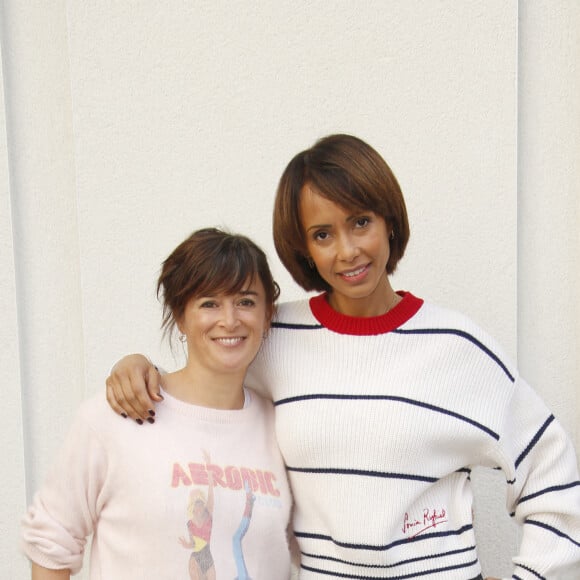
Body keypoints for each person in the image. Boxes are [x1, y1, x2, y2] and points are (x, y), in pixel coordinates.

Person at [105, 135, 580, 579]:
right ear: (305, 249)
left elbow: (553, 479)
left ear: (389, 222)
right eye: (323, 234)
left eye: (360, 222)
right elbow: (205, 381)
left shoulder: (458, 348)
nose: (348, 251)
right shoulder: (276, 338)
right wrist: (140, 369)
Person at [21, 228, 293, 580]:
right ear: (180, 316)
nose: (229, 319)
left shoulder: (283, 427)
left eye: (245, 301)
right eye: (209, 303)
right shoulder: (116, 416)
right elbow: (51, 542)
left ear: (267, 313)